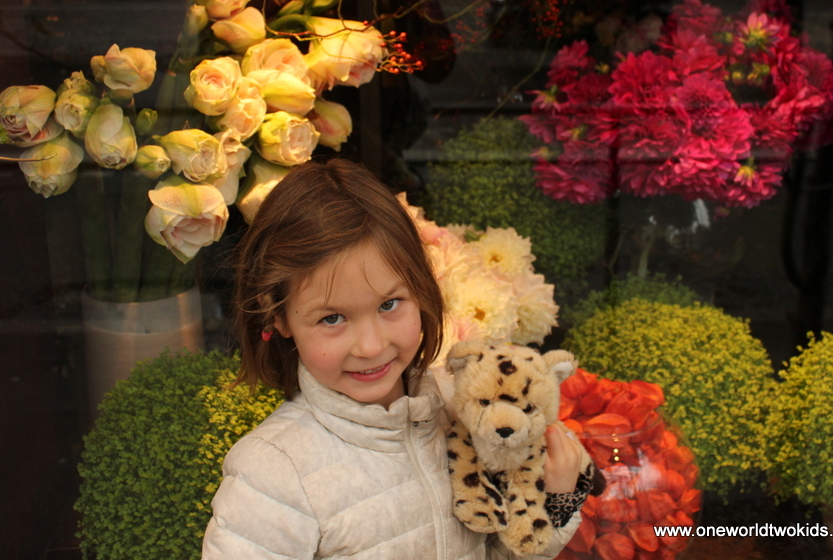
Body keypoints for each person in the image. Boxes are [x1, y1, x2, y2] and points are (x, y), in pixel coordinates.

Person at [202, 158, 592, 560]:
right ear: (278, 316)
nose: (371, 346)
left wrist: (553, 501)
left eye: (389, 304)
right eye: (331, 318)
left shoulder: (461, 411)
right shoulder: (273, 472)